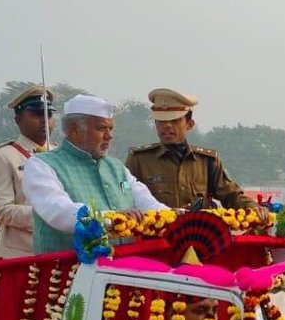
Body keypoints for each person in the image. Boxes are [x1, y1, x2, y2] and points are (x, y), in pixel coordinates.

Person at [23, 95, 168, 254]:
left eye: (110, 129)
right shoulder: (42, 165)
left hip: (122, 270)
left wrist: (176, 216)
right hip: (69, 272)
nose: (109, 136)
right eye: (101, 128)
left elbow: (146, 202)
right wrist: (110, 218)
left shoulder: (115, 166)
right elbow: (60, 212)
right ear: (74, 130)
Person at [123, 88, 257, 211]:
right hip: (157, 235)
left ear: (189, 124)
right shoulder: (139, 160)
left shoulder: (207, 161)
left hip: (200, 234)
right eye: (161, 121)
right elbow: (124, 198)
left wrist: (254, 208)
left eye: (174, 121)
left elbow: (231, 195)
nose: (167, 126)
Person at [0, 85, 56, 259]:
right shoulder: (4, 156)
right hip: (21, 254)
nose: (44, 121)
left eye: (48, 115)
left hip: (59, 250)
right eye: (36, 114)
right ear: (18, 119)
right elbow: (1, 210)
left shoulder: (60, 155)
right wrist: (48, 215)